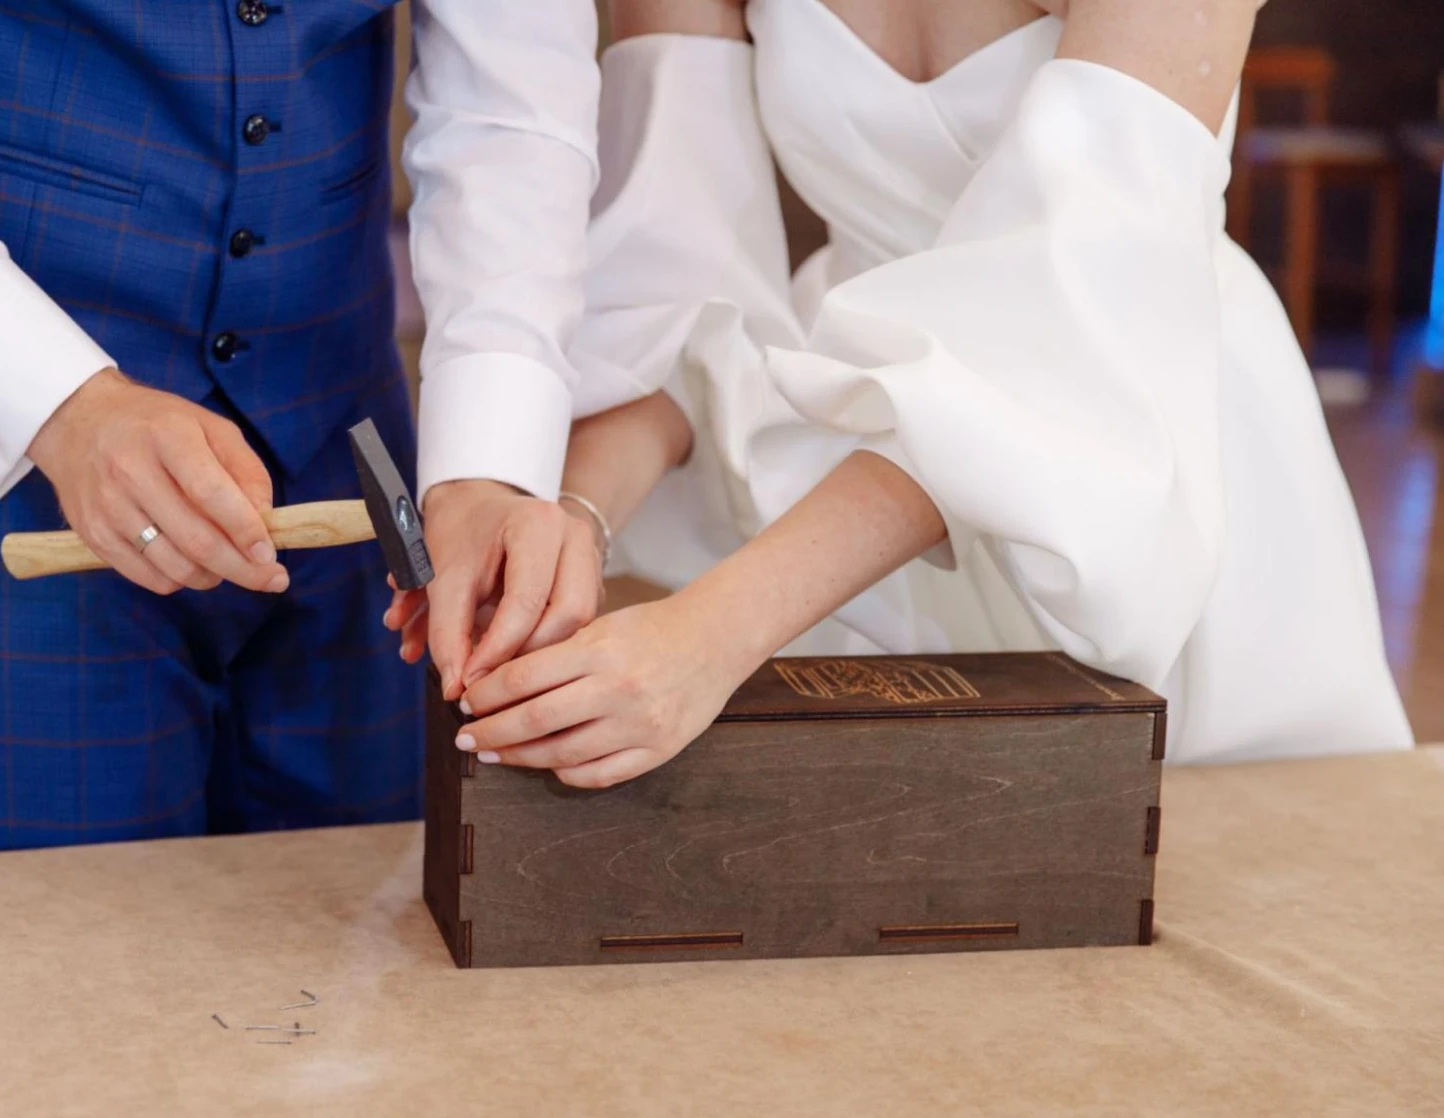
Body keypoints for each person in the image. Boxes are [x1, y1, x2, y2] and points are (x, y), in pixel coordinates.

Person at [0, 0, 606, 852]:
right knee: (72, 983)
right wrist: (60, 402)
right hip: (5, 461)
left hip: (340, 432)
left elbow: (513, 98)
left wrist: (489, 462)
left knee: (366, 956)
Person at [409, 0, 1414, 786]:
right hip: (844, 453)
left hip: (1129, 429)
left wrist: (714, 631)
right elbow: (679, 282)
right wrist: (566, 521)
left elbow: (1067, 308)